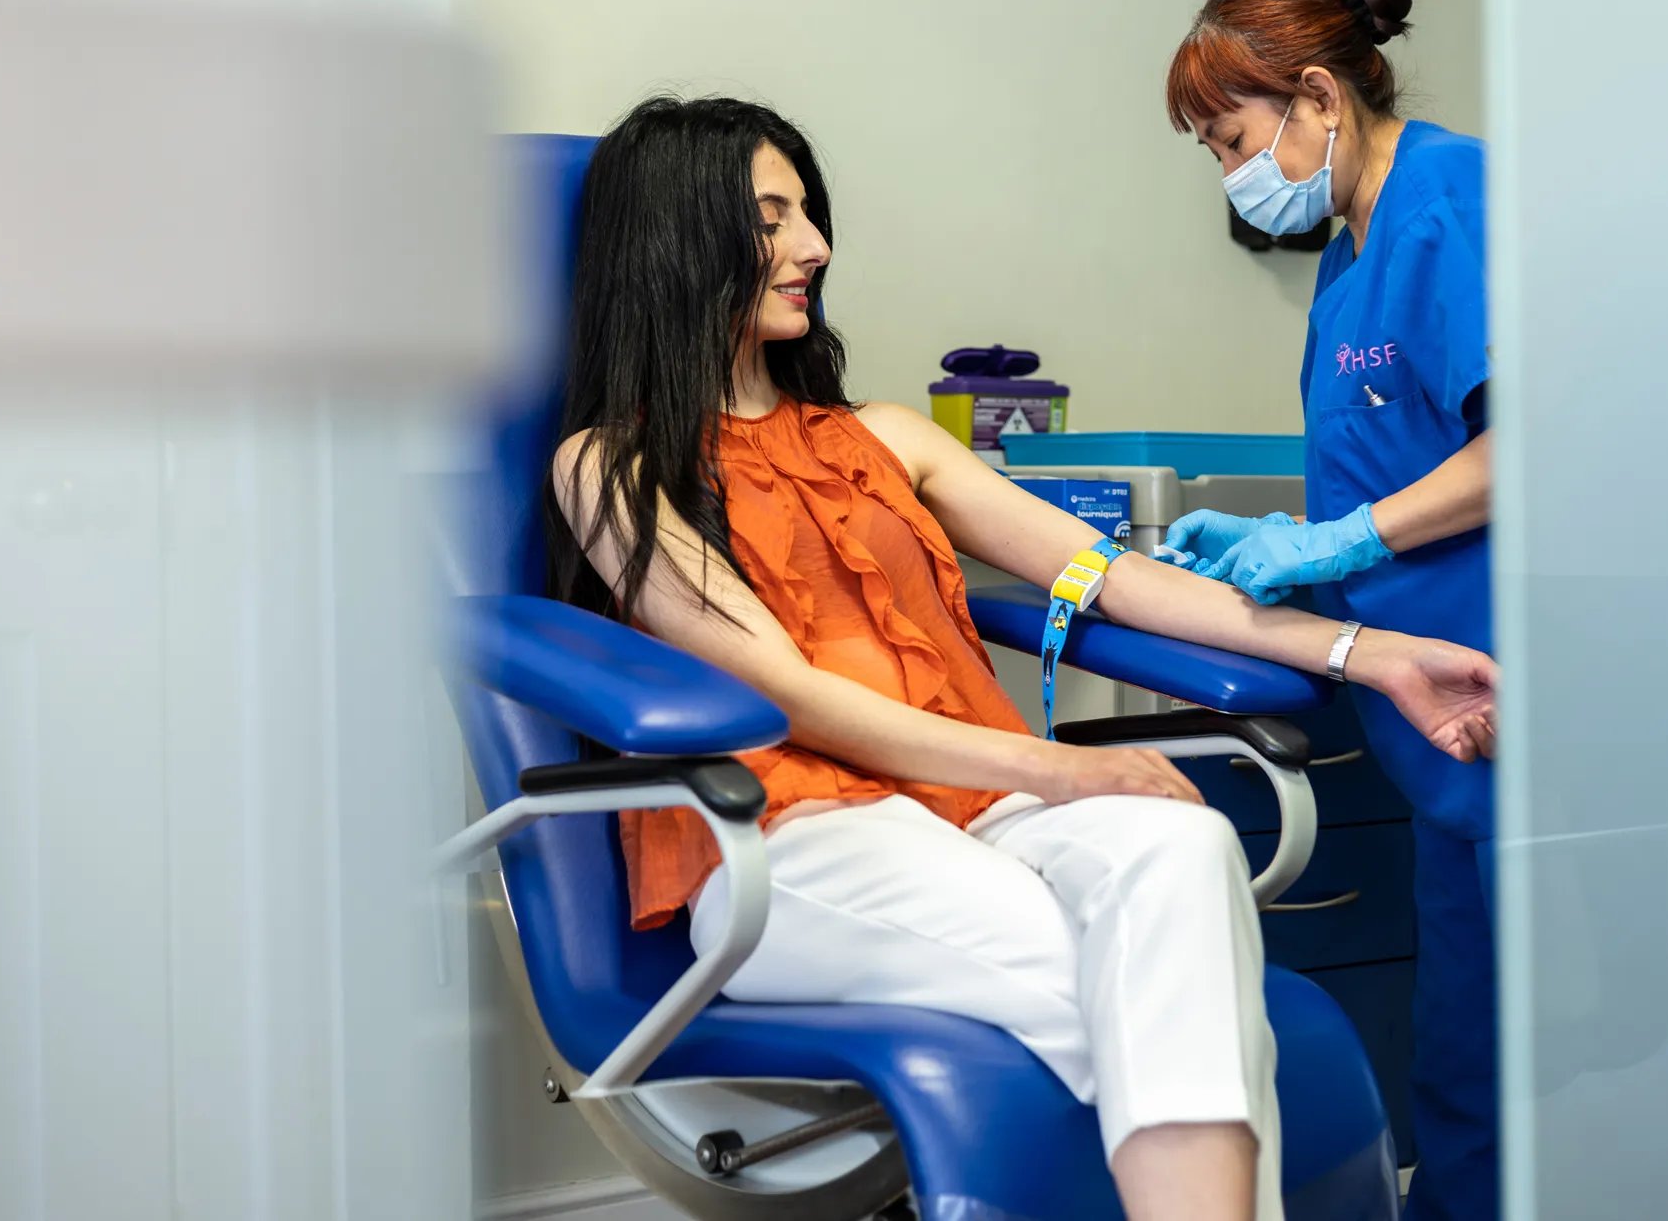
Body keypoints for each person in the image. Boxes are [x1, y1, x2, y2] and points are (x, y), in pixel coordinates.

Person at [546, 94, 1497, 1221]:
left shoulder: (886, 437)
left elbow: (1123, 579)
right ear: (674, 239)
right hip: (786, 840)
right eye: (771, 216)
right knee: (1153, 989)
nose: (815, 245)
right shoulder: (608, 464)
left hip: (980, 812)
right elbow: (788, 694)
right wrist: (1062, 766)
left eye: (808, 211)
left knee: (1179, 846)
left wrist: (1368, 650)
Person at [1160, 0, 1498, 1221]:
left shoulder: (1446, 199)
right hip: (1435, 726)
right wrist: (1277, 535)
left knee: (1537, 1042)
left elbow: (1529, 443)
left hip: (1507, 683)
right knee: (1461, 1046)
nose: (1234, 171)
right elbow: (1381, 455)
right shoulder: (1349, 246)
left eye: (1229, 136)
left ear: (1316, 97)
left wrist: (1335, 543)